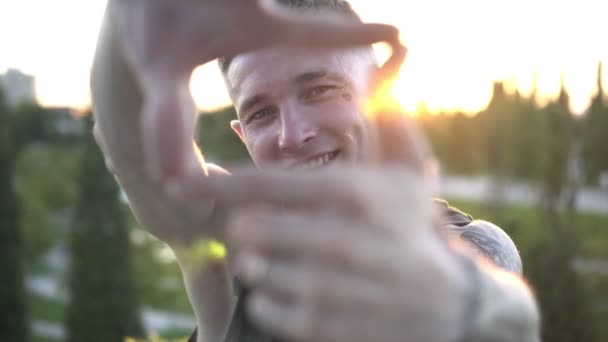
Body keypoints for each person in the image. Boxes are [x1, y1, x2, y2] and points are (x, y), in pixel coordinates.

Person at [91, 1, 540, 342]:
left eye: (320, 90)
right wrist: (126, 27)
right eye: (261, 113)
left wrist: (477, 308)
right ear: (242, 134)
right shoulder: (233, 245)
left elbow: (498, 306)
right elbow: (141, 167)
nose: (293, 133)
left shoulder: (460, 248)